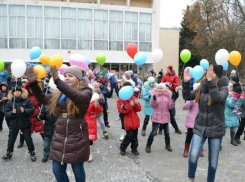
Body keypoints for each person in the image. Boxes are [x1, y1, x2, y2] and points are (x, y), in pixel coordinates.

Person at [28, 65, 92, 182]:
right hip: (60, 135)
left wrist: (58, 81)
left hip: (77, 135)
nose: (66, 78)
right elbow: (43, 99)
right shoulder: (60, 93)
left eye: (70, 76)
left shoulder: (86, 90)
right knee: (57, 169)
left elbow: (78, 98)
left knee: (78, 170)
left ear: (78, 78)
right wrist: (33, 84)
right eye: (65, 76)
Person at [183, 65, 229, 182]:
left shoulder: (224, 88)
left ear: (216, 75)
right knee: (193, 155)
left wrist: (210, 82)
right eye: (207, 72)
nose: (207, 74)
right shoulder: (202, 86)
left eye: (210, 72)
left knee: (213, 161)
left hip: (216, 128)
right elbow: (187, 96)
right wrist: (186, 83)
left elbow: (217, 97)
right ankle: (191, 178)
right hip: (200, 126)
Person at [2, 85, 37, 162]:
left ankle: (32, 152)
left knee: (28, 139)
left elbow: (32, 110)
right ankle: (9, 153)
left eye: (18, 91)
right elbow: (6, 113)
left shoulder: (27, 100)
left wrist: (25, 111)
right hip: (14, 124)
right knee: (11, 140)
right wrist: (12, 113)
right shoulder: (10, 102)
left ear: (21, 92)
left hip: (25, 123)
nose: (17, 92)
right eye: (15, 91)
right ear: (13, 93)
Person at [145, 83, 175, 153]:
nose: (159, 89)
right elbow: (153, 105)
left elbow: (170, 107)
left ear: (164, 89)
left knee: (167, 133)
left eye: (161, 88)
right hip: (156, 117)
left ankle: (168, 145)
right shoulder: (155, 96)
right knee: (153, 132)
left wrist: (172, 102)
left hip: (165, 117)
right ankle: (148, 145)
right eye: (158, 88)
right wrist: (154, 100)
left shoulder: (167, 97)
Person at [17, 82, 44, 149]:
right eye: (30, 88)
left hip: (36, 116)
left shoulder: (38, 96)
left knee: (41, 129)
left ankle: (46, 141)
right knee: (23, 130)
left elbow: (41, 106)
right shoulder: (24, 96)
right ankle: (21, 142)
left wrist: (41, 113)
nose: (32, 89)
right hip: (27, 116)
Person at [117, 82, 141, 156]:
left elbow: (138, 109)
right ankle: (123, 147)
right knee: (129, 135)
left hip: (134, 120)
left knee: (135, 136)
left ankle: (134, 148)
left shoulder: (133, 97)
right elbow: (122, 111)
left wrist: (137, 104)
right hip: (126, 120)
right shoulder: (120, 100)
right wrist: (129, 105)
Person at [183, 83, 204, 158]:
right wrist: (189, 101)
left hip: (202, 120)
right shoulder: (193, 98)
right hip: (192, 120)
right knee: (190, 135)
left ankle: (200, 149)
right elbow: (185, 107)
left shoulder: (204, 97)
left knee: (201, 136)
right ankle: (186, 149)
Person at [37, 88, 57, 163]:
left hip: (56, 128)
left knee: (55, 144)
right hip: (48, 128)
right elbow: (42, 117)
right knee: (46, 144)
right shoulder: (45, 106)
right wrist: (39, 116)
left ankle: (55, 155)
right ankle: (46, 154)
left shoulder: (59, 106)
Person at [161, 65, 182, 134]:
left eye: (168, 69)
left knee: (170, 112)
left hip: (172, 92)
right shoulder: (165, 76)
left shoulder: (175, 76)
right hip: (165, 93)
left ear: (171, 69)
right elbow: (162, 82)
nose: (167, 70)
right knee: (163, 114)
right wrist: (165, 84)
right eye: (166, 69)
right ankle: (160, 129)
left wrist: (171, 85)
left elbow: (177, 83)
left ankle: (176, 128)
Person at [85, 92, 102, 162]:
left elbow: (99, 111)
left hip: (90, 121)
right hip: (80, 120)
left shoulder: (93, 101)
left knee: (89, 139)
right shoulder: (80, 99)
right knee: (81, 138)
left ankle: (90, 153)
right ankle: (83, 153)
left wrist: (96, 104)